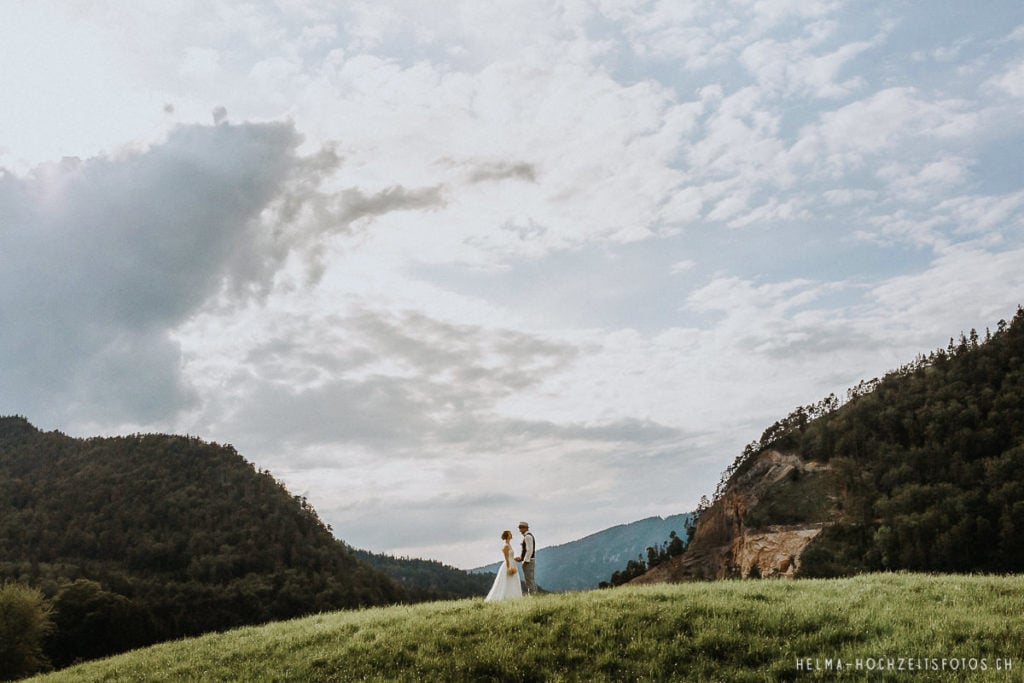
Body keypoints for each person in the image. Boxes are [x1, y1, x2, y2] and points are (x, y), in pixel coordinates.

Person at [484, 530, 523, 602]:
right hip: (508, 564)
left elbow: (510, 556)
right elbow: (506, 558)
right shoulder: (506, 546)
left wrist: (514, 559)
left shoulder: (509, 545)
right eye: (510, 533)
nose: (511, 534)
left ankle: (514, 597)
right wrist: (508, 568)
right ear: (507, 536)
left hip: (512, 563)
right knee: (507, 581)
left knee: (513, 581)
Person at [514, 521, 537, 594]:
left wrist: (525, 561)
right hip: (529, 560)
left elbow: (529, 550)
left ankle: (532, 595)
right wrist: (521, 559)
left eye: (521, 528)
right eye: (519, 528)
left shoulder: (528, 537)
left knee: (529, 579)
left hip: (529, 561)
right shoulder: (528, 536)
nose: (520, 530)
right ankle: (532, 594)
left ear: (526, 528)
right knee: (529, 579)